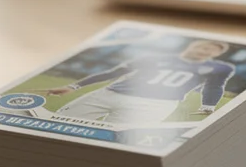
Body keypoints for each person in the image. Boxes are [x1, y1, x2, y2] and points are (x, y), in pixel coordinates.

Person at [45, 40, 235, 124]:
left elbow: (214, 86)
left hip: (154, 104)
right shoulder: (153, 57)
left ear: (216, 55)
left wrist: (208, 106)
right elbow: (115, 72)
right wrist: (72, 86)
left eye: (212, 50)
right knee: (62, 124)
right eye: (203, 46)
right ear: (192, 45)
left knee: (116, 140)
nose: (205, 51)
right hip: (109, 93)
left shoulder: (221, 68)